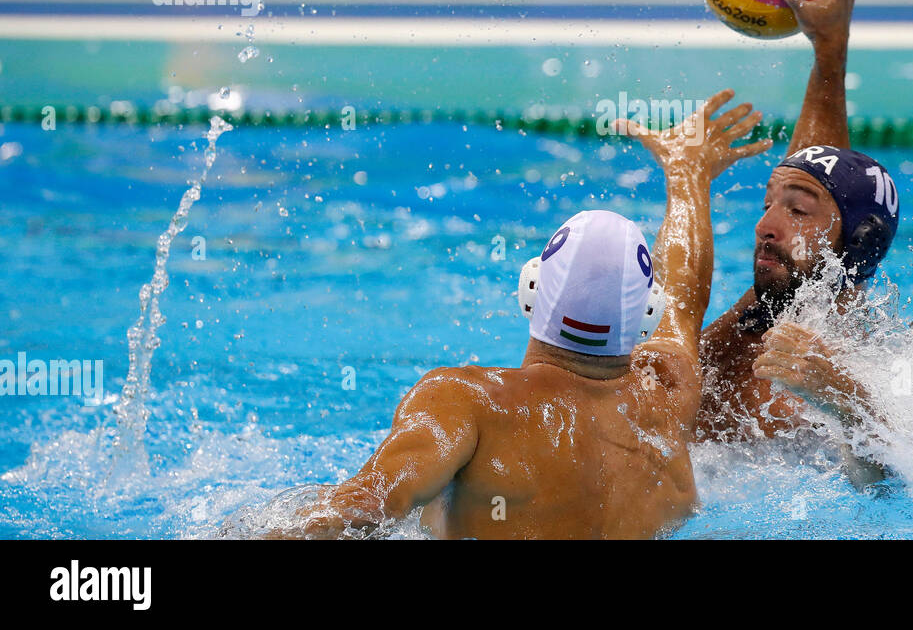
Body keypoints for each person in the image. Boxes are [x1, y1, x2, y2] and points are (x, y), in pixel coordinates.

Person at [262, 90, 770, 539]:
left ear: (530, 290)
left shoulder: (466, 402)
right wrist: (687, 172)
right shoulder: (666, 392)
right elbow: (684, 298)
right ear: (645, 313)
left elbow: (368, 507)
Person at [696, 0, 901, 487]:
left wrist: (848, 402)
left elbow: (901, 499)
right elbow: (817, 171)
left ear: (854, 245)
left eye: (797, 212)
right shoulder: (754, 325)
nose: (764, 226)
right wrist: (830, 48)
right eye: (768, 203)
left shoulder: (887, 368)